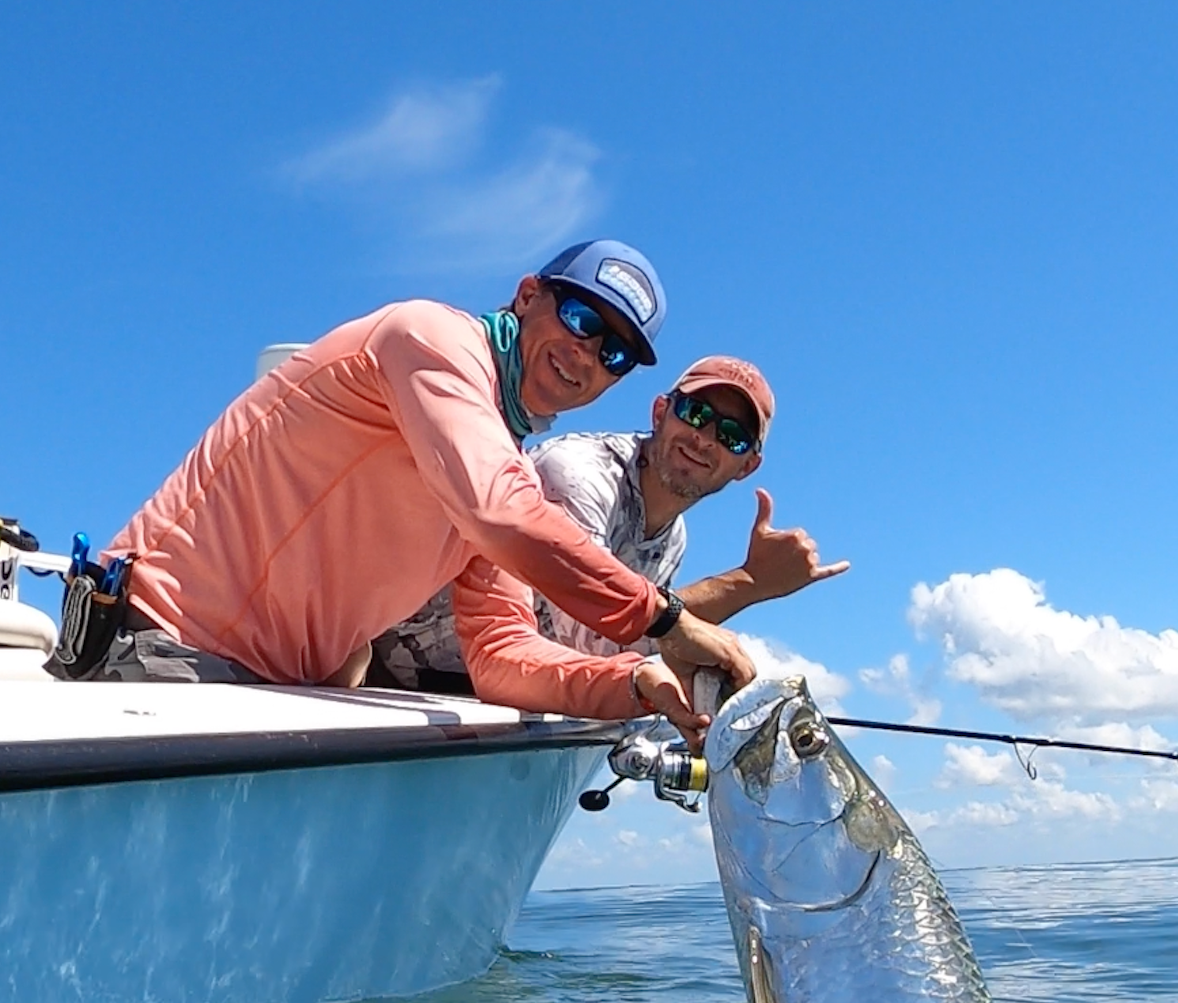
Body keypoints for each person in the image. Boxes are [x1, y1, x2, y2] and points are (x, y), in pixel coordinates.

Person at [92, 239, 753, 743]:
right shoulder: (429, 339)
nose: (587, 354)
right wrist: (666, 621)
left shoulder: (500, 463)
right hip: (162, 649)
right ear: (527, 296)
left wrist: (636, 682)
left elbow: (501, 657)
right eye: (581, 317)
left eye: (614, 354)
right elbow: (500, 515)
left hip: (262, 692)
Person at [369, 355, 849, 699]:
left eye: (731, 436)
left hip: (481, 698)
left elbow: (620, 645)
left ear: (747, 466)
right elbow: (593, 636)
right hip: (387, 681)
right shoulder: (575, 471)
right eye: (696, 414)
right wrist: (748, 584)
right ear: (661, 412)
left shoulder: (672, 537)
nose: (704, 439)